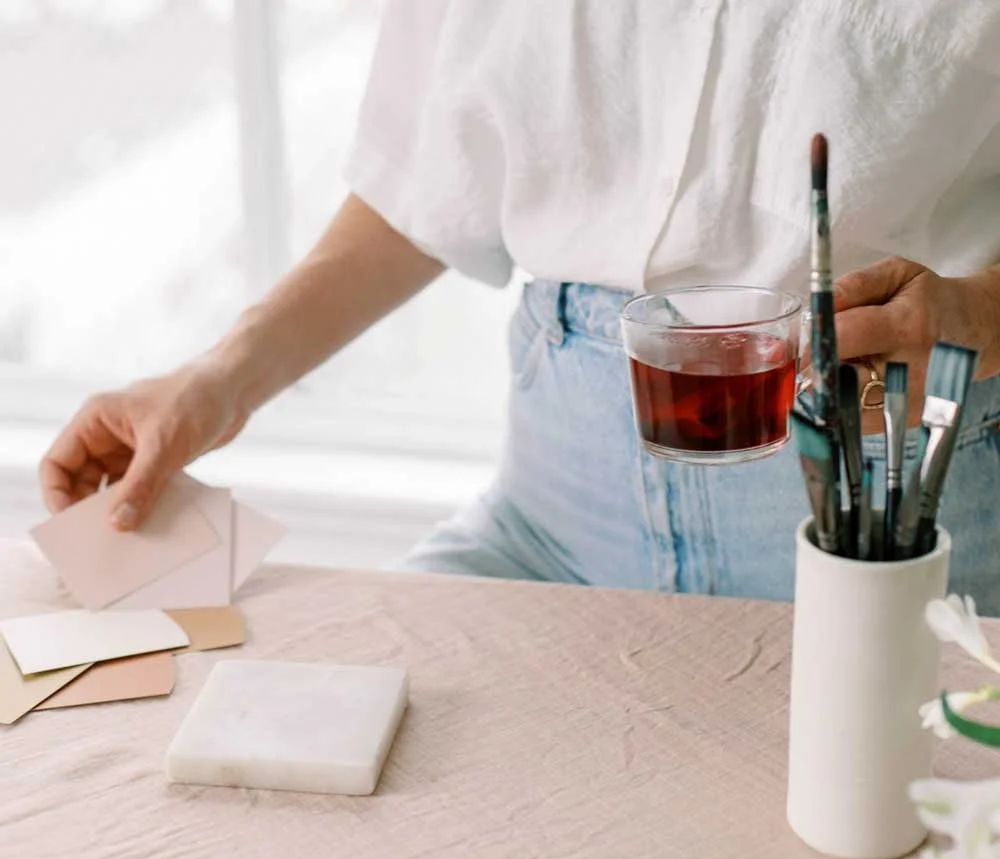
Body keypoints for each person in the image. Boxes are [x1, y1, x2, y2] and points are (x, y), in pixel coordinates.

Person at [40, 2, 1000, 610]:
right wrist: (218, 379)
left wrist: (982, 318)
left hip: (899, 536)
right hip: (549, 528)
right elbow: (426, 188)